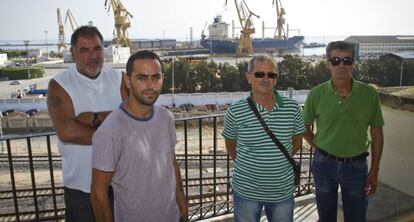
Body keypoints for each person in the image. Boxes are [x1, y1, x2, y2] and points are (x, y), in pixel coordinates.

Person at [90, 50, 188, 222]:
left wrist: (182, 203)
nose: (150, 85)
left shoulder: (166, 118)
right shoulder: (111, 130)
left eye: (156, 77)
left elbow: (171, 162)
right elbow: (98, 192)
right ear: (128, 81)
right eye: (142, 78)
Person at [47, 25, 127, 222]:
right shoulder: (59, 85)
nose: (93, 56)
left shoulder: (120, 79)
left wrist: (91, 118)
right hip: (82, 188)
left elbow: (133, 122)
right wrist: (115, 124)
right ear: (73, 53)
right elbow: (68, 132)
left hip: (121, 183)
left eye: (97, 49)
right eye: (85, 50)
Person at [303, 41, 384, 222]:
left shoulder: (369, 94)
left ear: (353, 63)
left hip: (356, 166)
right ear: (328, 63)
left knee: (356, 217)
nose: (341, 65)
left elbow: (377, 132)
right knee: (326, 217)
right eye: (336, 60)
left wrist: (375, 169)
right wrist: (319, 147)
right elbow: (304, 127)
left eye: (347, 60)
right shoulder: (316, 94)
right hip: (323, 165)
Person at [222, 55, 305, 222]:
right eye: (260, 74)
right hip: (246, 191)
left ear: (276, 78)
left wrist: (276, 158)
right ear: (249, 77)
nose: (266, 79)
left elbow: (297, 141)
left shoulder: (292, 108)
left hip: (282, 190)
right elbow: (230, 145)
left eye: (271, 74)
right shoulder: (235, 111)